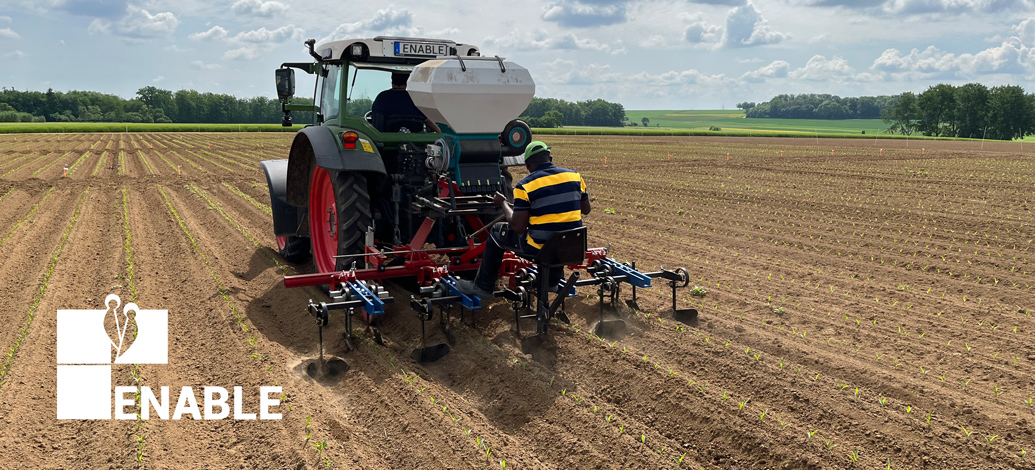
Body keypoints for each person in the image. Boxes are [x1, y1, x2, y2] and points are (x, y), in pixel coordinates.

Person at [456, 141, 590, 297]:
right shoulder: (574, 176)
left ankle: (482, 287)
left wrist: (503, 203)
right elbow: (586, 209)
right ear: (550, 158)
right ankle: (551, 283)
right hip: (573, 247)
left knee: (497, 231)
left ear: (527, 165)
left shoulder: (525, 185)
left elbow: (518, 226)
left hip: (540, 250)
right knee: (560, 230)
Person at [370, 72, 440, 133]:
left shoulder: (382, 98)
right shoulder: (417, 98)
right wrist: (440, 132)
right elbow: (430, 123)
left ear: (392, 80)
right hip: (418, 144)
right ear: (407, 81)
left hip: (386, 143)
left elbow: (377, 125)